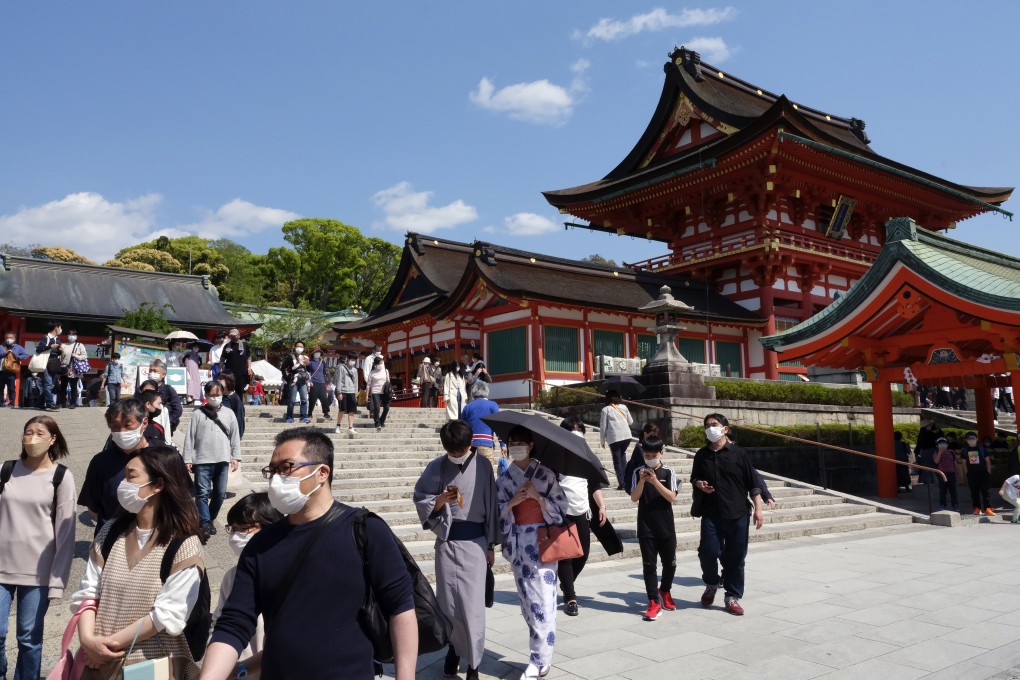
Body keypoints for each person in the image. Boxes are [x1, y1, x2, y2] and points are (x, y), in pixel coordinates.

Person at [201, 428, 417, 680]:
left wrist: (405, 676)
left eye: (286, 468)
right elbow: (234, 623)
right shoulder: (261, 546)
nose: (276, 478)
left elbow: (400, 608)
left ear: (322, 473)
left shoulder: (365, 530)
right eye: (272, 470)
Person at [70, 446, 206, 679]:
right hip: (97, 663)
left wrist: (103, 647)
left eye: (131, 476)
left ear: (158, 485)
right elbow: (88, 591)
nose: (122, 484)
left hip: (148, 666)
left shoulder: (184, 545)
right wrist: (87, 641)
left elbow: (166, 615)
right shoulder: (110, 531)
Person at [414, 420, 499, 680]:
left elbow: (493, 505)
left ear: (470, 444)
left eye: (460, 450)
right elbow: (421, 497)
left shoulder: (483, 465)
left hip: (475, 543)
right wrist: (439, 501)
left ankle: (474, 662)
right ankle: (453, 650)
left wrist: (492, 544)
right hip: (448, 542)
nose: (456, 455)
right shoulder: (437, 466)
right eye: (451, 451)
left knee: (472, 607)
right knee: (448, 604)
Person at [0, 416, 76, 680]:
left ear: (52, 439)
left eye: (40, 433)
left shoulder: (61, 477)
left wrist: (58, 580)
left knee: (29, 638)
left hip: (38, 572)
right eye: (28, 432)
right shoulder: (6, 470)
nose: (32, 437)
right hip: (1, 568)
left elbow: (66, 533)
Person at [496, 426, 568, 680]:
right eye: (510, 443)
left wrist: (539, 499)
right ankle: (541, 655)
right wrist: (512, 503)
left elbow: (561, 509)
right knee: (528, 604)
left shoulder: (546, 475)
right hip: (518, 546)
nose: (514, 446)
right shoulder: (504, 479)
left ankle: (538, 660)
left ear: (530, 445)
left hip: (542, 542)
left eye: (519, 443)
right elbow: (497, 512)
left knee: (544, 603)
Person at [691, 413, 764, 616]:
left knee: (736, 556)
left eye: (714, 424)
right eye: (707, 425)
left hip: (738, 512)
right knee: (707, 551)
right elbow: (694, 477)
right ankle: (712, 583)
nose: (710, 428)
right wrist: (699, 484)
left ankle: (732, 596)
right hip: (711, 513)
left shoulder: (739, 453)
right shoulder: (701, 455)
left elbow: (753, 483)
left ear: (725, 428)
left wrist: (758, 509)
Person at [211, 493, 282, 677]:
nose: (236, 536)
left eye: (244, 529)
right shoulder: (231, 577)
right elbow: (219, 622)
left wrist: (241, 669)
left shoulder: (290, 576)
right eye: (233, 529)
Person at [78, 398, 154, 534]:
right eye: (115, 426)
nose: (121, 431)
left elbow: (182, 500)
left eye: (128, 425)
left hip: (155, 541)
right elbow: (93, 507)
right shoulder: (100, 461)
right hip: (110, 540)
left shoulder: (165, 456)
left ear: (144, 422)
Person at [557, 416, 607, 617]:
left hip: (582, 510)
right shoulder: (556, 458)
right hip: (561, 512)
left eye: (579, 430)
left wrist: (601, 505)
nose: (576, 434)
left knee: (583, 553)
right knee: (566, 557)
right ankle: (571, 597)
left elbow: (594, 485)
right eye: (571, 430)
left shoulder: (587, 457)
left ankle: (565, 583)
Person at [184, 381, 242, 541]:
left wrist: (236, 456)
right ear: (206, 395)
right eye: (212, 395)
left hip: (222, 459)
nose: (215, 398)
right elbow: (190, 437)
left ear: (222, 395)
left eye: (218, 395)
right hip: (202, 460)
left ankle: (208, 518)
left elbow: (235, 436)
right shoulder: (198, 413)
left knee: (220, 493)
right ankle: (204, 523)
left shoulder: (229, 413)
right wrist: (188, 458)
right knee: (202, 493)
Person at [630, 435, 678, 621]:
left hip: (666, 525)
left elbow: (671, 497)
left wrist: (655, 481)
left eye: (654, 454)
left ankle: (664, 591)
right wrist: (642, 481)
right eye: (647, 454)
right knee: (649, 566)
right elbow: (634, 498)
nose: (650, 458)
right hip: (646, 526)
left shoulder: (668, 472)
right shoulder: (638, 472)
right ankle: (653, 601)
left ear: (661, 454)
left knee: (670, 563)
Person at [461, 381, 501, 470]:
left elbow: (461, 428)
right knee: (487, 472)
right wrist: (502, 444)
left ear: (473, 392)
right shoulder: (493, 405)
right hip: (486, 443)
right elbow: (498, 426)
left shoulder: (468, 407)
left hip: (470, 445)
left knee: (471, 472)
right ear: (486, 391)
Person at [599, 390, 634, 490]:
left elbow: (603, 427)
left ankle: (622, 483)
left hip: (615, 437)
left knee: (617, 461)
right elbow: (631, 422)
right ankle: (627, 481)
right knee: (622, 457)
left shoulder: (606, 410)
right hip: (627, 436)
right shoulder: (624, 407)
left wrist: (602, 441)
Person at [148, 360, 184, 435]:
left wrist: (168, 422)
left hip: (164, 428)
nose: (152, 373)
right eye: (150, 370)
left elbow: (178, 409)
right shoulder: (143, 388)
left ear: (163, 375)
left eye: (155, 371)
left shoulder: (168, 389)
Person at [624, 421, 661, 494]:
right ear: (645, 434)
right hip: (639, 480)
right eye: (651, 436)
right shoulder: (639, 448)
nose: (653, 439)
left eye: (655, 437)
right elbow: (648, 463)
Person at [963, 431, 995, 516]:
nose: (971, 440)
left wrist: (988, 473)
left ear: (977, 439)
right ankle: (977, 509)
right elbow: (964, 463)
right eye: (969, 439)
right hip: (972, 475)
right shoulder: (965, 450)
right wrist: (967, 474)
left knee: (986, 492)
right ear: (966, 440)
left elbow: (988, 461)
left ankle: (988, 509)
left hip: (983, 473)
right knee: (974, 493)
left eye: (973, 438)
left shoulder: (982, 449)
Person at [35, 321, 63, 411]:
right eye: (60, 327)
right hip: (46, 361)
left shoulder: (58, 339)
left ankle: (40, 403)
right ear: (56, 327)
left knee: (50, 384)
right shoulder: (45, 338)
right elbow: (39, 349)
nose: (60, 329)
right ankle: (50, 403)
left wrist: (60, 350)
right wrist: (50, 346)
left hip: (54, 362)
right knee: (48, 383)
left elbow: (57, 352)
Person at [281, 341, 309, 424]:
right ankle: (289, 417)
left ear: (303, 348)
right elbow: (283, 368)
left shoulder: (304, 357)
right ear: (294, 347)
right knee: (292, 400)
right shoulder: (290, 357)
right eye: (298, 346)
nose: (299, 348)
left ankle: (303, 417)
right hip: (293, 381)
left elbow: (307, 369)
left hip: (303, 381)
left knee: (304, 399)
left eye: (301, 346)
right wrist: (287, 377)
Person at [1, 332, 30, 407]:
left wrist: (16, 356)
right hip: (1, 370)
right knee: (0, 387)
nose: (9, 339)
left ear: (14, 339)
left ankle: (12, 403)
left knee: (11, 388)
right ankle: (0, 402)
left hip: (11, 370)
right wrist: (6, 353)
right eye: (7, 337)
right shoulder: (1, 346)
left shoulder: (18, 347)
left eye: (11, 338)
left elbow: (26, 355)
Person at [220, 328, 252, 395]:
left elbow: (248, 357)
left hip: (241, 372)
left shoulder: (245, 345)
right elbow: (222, 358)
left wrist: (249, 367)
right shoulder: (227, 346)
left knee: (240, 390)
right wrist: (220, 369)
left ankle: (239, 404)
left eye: (234, 336)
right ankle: (229, 404)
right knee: (229, 389)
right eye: (231, 336)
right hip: (229, 373)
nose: (233, 337)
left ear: (239, 335)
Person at [334, 351, 359, 437]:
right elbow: (339, 380)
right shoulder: (342, 368)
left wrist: (356, 393)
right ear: (348, 359)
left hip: (352, 391)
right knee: (342, 410)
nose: (353, 361)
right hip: (343, 391)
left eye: (354, 360)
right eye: (351, 359)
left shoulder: (355, 370)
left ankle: (350, 428)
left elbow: (356, 382)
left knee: (352, 411)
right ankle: (338, 426)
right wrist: (339, 392)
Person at [914, 418, 944, 485]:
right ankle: (931, 480)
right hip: (930, 451)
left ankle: (926, 480)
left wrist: (916, 453)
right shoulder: (928, 433)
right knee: (931, 466)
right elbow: (939, 436)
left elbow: (919, 444)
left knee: (926, 466)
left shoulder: (922, 433)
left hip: (925, 452)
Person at [365, 356, 391, 430]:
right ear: (375, 364)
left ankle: (382, 420)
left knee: (387, 408)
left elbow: (388, 382)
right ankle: (377, 422)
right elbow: (368, 385)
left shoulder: (386, 371)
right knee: (377, 407)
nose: (381, 364)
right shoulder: (372, 373)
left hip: (385, 392)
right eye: (379, 363)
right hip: (375, 391)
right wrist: (367, 396)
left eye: (382, 363)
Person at [306, 346, 331, 421]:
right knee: (312, 399)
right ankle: (310, 413)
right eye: (316, 352)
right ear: (313, 353)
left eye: (319, 352)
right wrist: (309, 381)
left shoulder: (322, 362)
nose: (317, 353)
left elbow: (325, 372)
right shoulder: (310, 362)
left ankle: (326, 413)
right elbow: (307, 373)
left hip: (322, 382)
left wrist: (327, 381)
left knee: (324, 398)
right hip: (313, 382)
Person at [219, 373, 246, 440]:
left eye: (222, 379)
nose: (219, 381)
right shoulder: (217, 396)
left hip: (229, 434)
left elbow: (239, 418)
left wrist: (239, 435)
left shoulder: (235, 398)